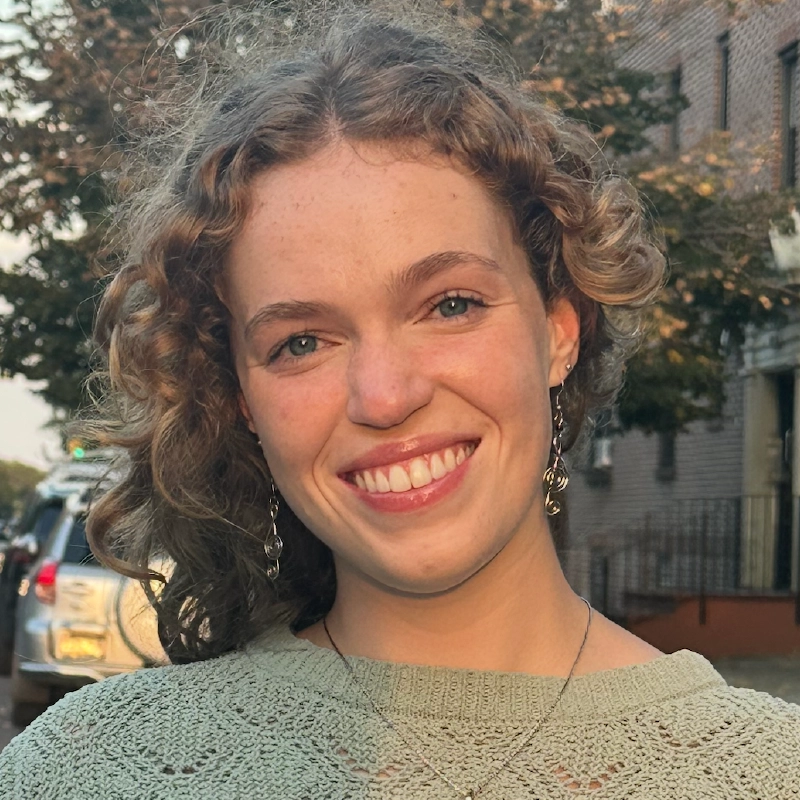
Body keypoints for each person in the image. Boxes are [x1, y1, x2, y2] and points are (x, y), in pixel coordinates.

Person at [2, 2, 799, 797]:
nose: (384, 396)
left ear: (561, 327)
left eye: (450, 304)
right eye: (301, 343)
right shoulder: (83, 771)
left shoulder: (770, 772)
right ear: (241, 398)